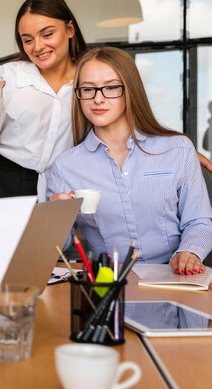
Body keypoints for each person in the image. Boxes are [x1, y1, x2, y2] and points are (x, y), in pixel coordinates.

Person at [46, 47, 212, 275]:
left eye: (111, 87)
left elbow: (199, 221)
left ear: (130, 90)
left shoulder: (177, 150)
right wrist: (55, 218)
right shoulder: (65, 168)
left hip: (173, 278)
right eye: (88, 89)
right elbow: (58, 251)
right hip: (108, 286)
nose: (98, 98)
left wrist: (190, 252)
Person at [0, 0, 88, 201]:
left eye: (47, 34)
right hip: (6, 186)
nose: (38, 46)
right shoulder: (7, 78)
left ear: (70, 29)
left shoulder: (89, 80)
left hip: (63, 187)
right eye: (28, 40)